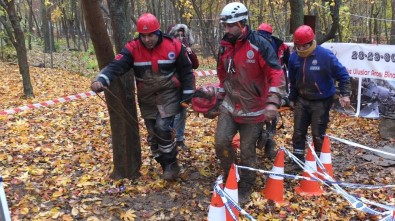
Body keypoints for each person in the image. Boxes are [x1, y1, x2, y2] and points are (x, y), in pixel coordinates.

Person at [90, 13, 195, 181]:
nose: (147, 39)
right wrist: (101, 79)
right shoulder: (132, 48)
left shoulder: (174, 46)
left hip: (169, 94)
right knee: (153, 135)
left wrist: (188, 94)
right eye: (143, 35)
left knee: (162, 128)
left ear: (158, 32)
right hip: (146, 97)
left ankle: (171, 165)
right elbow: (116, 66)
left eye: (151, 35)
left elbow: (186, 71)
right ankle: (165, 163)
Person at [215, 2, 285, 203]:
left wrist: (272, 102)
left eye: (230, 26)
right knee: (221, 143)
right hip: (230, 105)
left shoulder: (260, 44)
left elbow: (276, 73)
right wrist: (218, 97)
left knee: (247, 150)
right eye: (224, 26)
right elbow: (222, 73)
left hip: (253, 108)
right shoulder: (225, 45)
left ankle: (246, 184)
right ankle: (229, 174)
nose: (226, 30)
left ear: (242, 23)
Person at [287, 25, 351, 172]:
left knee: (318, 133)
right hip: (302, 99)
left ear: (311, 42)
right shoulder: (293, 58)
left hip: (322, 100)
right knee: (298, 132)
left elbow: (343, 74)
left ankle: (319, 161)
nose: (302, 49)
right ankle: (298, 161)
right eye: (299, 46)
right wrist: (292, 98)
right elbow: (293, 81)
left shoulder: (325, 56)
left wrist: (345, 93)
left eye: (305, 45)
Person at [257, 23, 291, 159]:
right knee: (268, 113)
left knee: (270, 113)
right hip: (265, 85)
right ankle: (266, 138)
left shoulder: (281, 47)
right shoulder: (256, 44)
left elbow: (289, 65)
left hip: (273, 83)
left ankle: (267, 140)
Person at [167, 24, 199, 150]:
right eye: (177, 35)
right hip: (171, 87)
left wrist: (191, 53)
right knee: (170, 114)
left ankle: (179, 140)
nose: (180, 38)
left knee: (181, 113)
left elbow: (195, 65)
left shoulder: (187, 49)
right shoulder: (169, 50)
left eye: (182, 35)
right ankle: (169, 139)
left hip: (185, 88)